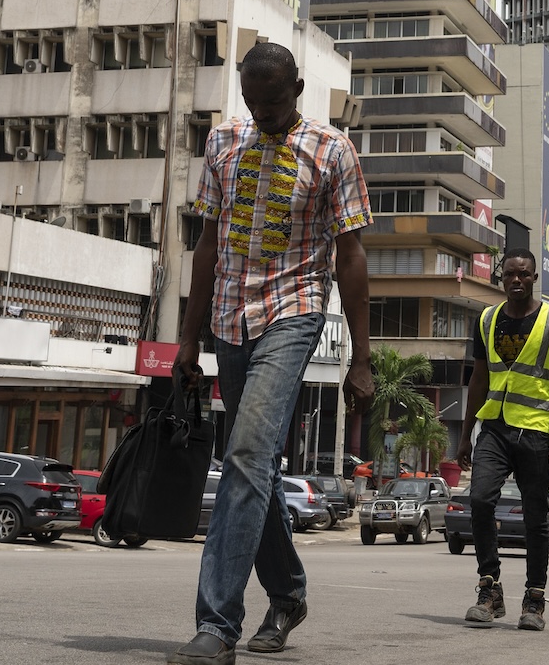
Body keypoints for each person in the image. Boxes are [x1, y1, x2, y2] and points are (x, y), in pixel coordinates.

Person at [170, 42, 373, 665]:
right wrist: (186, 335)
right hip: (230, 317)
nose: (262, 112)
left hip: (295, 311)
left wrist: (361, 357)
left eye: (274, 101)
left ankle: (216, 627)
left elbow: (352, 255)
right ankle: (286, 594)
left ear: (300, 88)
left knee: (248, 454)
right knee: (251, 469)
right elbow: (207, 244)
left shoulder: (333, 150)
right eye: (252, 101)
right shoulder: (222, 144)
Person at [457, 249, 549, 632]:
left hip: (537, 430)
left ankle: (534, 599)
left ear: (534, 277)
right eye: (510, 274)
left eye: (524, 275)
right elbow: (478, 377)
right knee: (478, 500)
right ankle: (489, 590)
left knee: (536, 518)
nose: (517, 281)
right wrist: (465, 433)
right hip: (493, 427)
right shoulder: (487, 319)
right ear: (501, 278)